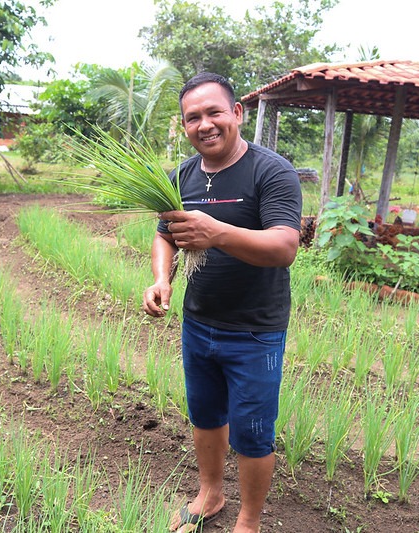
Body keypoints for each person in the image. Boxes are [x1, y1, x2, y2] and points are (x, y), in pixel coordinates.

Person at [142, 72, 302, 533]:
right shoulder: (181, 176)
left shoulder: (271, 171)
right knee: (206, 416)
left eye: (214, 112)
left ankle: (248, 522)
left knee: (253, 432)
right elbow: (164, 233)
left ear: (236, 113)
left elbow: (284, 247)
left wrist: (217, 233)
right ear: (185, 125)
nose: (205, 124)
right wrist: (161, 278)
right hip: (198, 323)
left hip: (255, 329)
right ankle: (211, 494)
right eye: (194, 118)